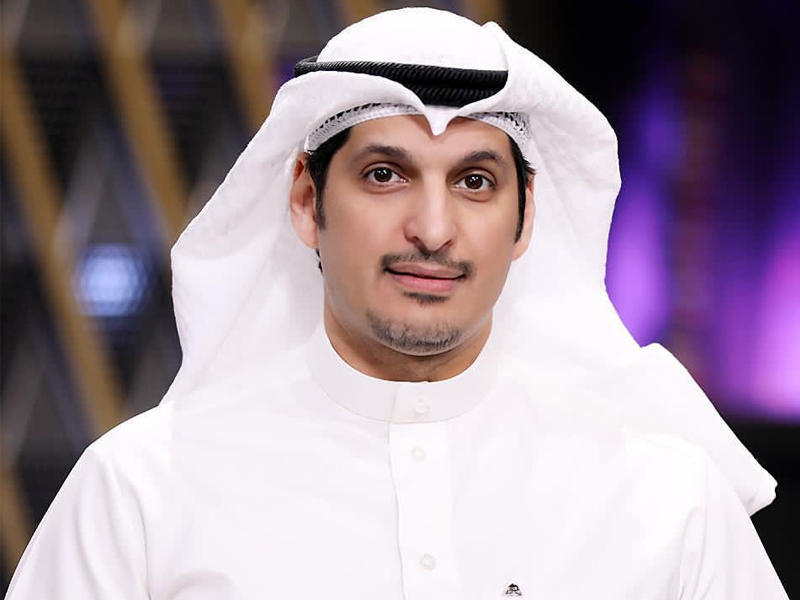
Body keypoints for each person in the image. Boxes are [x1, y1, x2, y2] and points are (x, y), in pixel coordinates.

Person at [6, 8, 788, 599]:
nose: (434, 229)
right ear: (307, 200)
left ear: (525, 219)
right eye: (385, 175)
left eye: (475, 182)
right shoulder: (140, 494)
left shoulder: (665, 500)